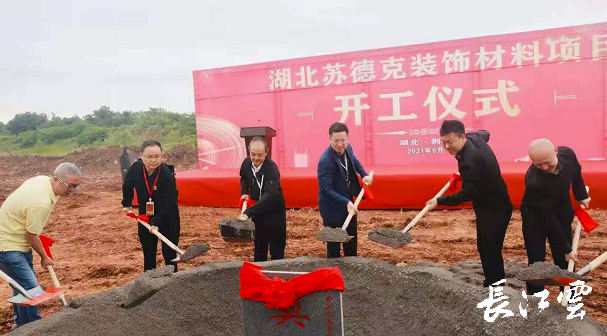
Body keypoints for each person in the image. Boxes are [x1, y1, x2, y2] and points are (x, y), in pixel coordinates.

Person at [426, 120, 512, 287]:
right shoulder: (475, 138)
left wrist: (439, 201)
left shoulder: (469, 162)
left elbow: (466, 194)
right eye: (443, 142)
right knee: (490, 246)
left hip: (493, 208)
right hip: (497, 199)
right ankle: (495, 279)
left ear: (462, 137)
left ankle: (496, 285)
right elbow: (485, 133)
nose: (447, 146)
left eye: (450, 142)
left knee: (488, 248)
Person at [0, 163, 82, 328]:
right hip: (8, 245)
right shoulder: (41, 201)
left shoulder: (44, 182)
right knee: (31, 288)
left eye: (76, 186)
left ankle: (21, 326)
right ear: (56, 179)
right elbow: (32, 235)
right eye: (70, 186)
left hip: (19, 240)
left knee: (21, 286)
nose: (73, 190)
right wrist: (44, 257)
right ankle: (34, 328)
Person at [521, 139, 589, 295]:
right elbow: (548, 219)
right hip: (535, 216)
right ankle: (535, 300)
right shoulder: (534, 181)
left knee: (565, 260)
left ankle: (569, 298)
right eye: (538, 165)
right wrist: (565, 247)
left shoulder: (568, 154)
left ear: (556, 151)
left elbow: (576, 173)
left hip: (560, 210)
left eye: (547, 162)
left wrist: (581, 195)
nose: (544, 168)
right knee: (537, 261)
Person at [122, 140, 180, 272]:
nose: (153, 160)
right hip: (145, 216)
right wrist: (127, 203)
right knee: (148, 254)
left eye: (157, 156)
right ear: (141, 155)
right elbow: (127, 185)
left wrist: (157, 222)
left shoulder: (167, 174)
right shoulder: (136, 168)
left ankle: (172, 285)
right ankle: (149, 285)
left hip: (168, 217)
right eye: (149, 157)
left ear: (161, 155)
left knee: (170, 255)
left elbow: (169, 202)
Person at [318, 122, 372, 258]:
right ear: (330, 139)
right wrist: (345, 202)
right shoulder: (325, 161)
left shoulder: (348, 148)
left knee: (351, 238)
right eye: (336, 141)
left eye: (343, 140)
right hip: (332, 207)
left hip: (348, 200)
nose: (340, 144)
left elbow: (354, 161)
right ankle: (335, 270)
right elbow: (325, 189)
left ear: (347, 139)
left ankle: (351, 264)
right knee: (334, 244)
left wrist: (364, 174)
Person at [238, 137, 287, 262]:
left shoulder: (272, 169)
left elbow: (269, 196)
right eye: (253, 154)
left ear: (266, 153)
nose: (256, 158)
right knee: (259, 247)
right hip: (258, 213)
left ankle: (277, 278)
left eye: (260, 155)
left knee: (277, 249)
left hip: (274, 213)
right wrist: (244, 192)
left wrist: (248, 212)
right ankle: (259, 277)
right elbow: (243, 178)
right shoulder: (246, 163)